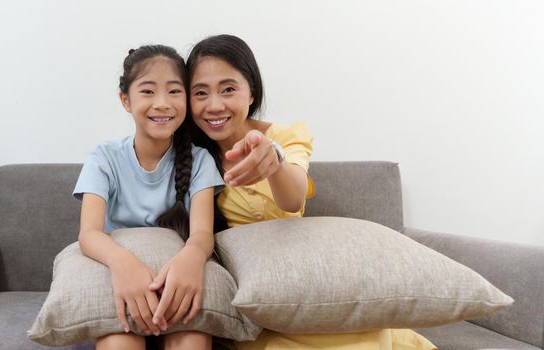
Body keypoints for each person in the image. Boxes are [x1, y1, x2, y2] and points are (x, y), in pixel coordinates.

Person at [183, 34, 436, 350]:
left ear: (251, 92)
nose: (214, 105)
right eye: (201, 93)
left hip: (302, 286)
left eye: (228, 89)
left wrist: (273, 159)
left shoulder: (287, 137)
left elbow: (293, 199)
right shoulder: (190, 158)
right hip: (251, 300)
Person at [74, 44, 223, 350]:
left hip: (175, 287)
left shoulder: (201, 161)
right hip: (121, 285)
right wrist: (123, 264)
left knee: (192, 339)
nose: (162, 104)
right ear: (125, 100)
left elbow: (202, 234)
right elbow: (88, 233)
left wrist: (191, 259)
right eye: (147, 92)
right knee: (119, 343)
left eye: (174, 91)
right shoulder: (104, 158)